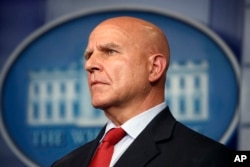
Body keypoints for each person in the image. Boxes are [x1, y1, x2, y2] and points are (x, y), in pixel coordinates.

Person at [52, 16, 232, 167]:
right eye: (89, 55)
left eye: (110, 51)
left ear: (154, 68)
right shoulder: (65, 164)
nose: (89, 65)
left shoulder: (210, 159)